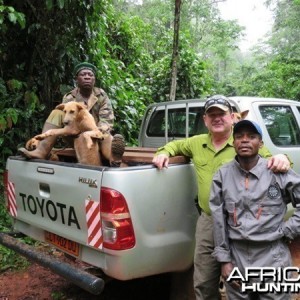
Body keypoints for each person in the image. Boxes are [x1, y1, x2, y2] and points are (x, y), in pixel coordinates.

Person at [152, 95, 291, 300]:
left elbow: (275, 162)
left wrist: (283, 158)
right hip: (209, 222)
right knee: (204, 281)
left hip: (242, 221)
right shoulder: (196, 143)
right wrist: (164, 152)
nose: (217, 118)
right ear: (205, 120)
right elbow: (175, 146)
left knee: (242, 280)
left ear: (232, 117)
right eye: (212, 115)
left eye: (222, 114)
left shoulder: (244, 141)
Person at [209, 120, 300, 300]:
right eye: (239, 137)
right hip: (237, 257)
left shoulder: (277, 172)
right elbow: (218, 221)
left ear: (261, 143)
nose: (244, 140)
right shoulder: (222, 175)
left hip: (272, 257)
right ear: (233, 143)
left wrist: (288, 230)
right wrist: (225, 261)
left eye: (251, 137)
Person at [18, 62, 125, 167]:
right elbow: (69, 124)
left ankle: (114, 159)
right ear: (76, 79)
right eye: (83, 75)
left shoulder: (101, 96)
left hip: (98, 131)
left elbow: (106, 121)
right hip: (76, 134)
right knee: (56, 113)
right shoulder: (69, 98)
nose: (87, 77)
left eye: (90, 75)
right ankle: (41, 151)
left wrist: (96, 133)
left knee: (107, 137)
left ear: (94, 79)